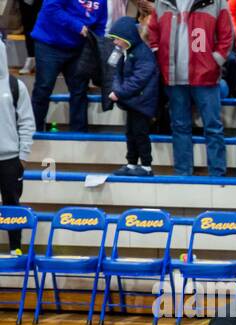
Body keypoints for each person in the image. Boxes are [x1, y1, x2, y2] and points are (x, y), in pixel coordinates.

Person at [145, 0, 230, 177]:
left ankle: (217, 175)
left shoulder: (216, 2)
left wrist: (215, 60)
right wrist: (157, 53)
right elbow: (152, 30)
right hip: (174, 76)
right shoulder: (163, 2)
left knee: (213, 127)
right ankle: (183, 174)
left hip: (206, 76)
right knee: (179, 126)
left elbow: (227, 34)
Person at [30, 0, 105, 132]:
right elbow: (51, 8)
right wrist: (77, 26)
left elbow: (100, 24)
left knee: (80, 91)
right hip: (49, 43)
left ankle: (79, 136)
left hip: (79, 47)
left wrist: (98, 46)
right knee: (43, 88)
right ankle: (33, 132)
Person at [106, 18, 161, 175]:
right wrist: (117, 90)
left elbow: (139, 79)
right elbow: (117, 74)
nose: (115, 42)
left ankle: (146, 166)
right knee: (130, 133)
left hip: (142, 102)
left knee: (140, 133)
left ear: (127, 37)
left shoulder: (143, 53)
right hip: (133, 102)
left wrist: (119, 92)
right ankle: (131, 163)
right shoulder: (125, 52)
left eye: (117, 38)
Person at [0, 44, 34, 251]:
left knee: (12, 204)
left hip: (10, 159)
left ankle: (16, 248)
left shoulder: (15, 86)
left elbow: (27, 122)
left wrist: (23, 155)